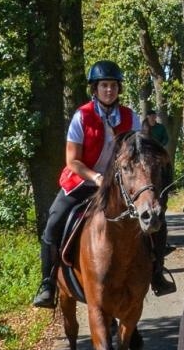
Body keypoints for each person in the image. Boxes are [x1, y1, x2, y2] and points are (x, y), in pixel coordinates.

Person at [31, 61, 176, 308]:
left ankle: (156, 273)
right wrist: (96, 177)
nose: (109, 90)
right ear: (95, 89)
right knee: (54, 222)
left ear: (119, 88)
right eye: (104, 85)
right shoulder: (82, 116)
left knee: (155, 219)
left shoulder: (130, 117)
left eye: (113, 85)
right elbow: (72, 161)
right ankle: (48, 283)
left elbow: (138, 154)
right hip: (83, 181)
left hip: (120, 184)